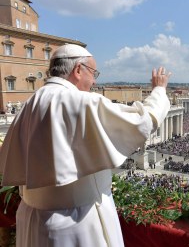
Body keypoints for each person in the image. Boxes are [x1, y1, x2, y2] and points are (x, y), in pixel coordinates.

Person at [0, 44, 171, 246]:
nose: (95, 80)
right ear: (78, 70)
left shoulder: (30, 103)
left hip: (34, 220)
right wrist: (159, 90)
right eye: (93, 72)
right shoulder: (80, 101)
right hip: (76, 223)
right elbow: (142, 122)